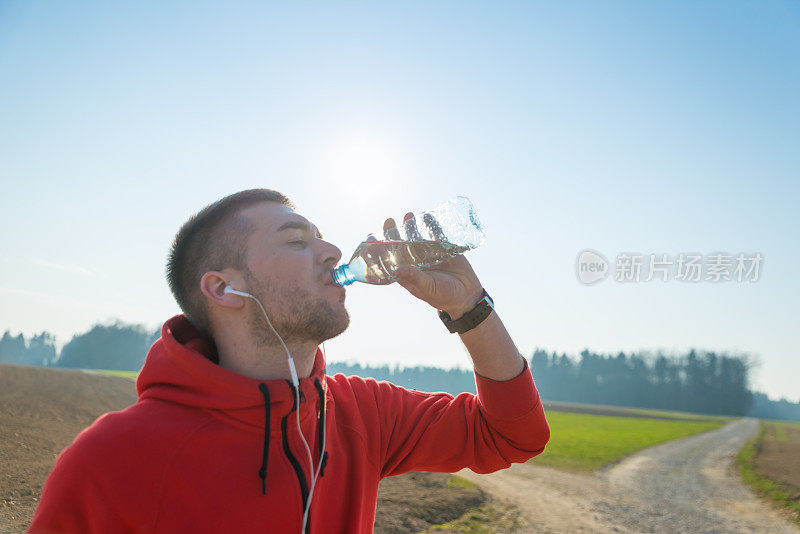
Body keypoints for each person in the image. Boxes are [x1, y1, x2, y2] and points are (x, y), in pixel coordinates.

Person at [29, 189, 550, 534]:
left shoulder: (361, 413)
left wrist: (469, 307)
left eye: (321, 237)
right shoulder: (111, 461)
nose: (330, 250)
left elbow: (511, 435)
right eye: (297, 240)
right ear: (224, 288)